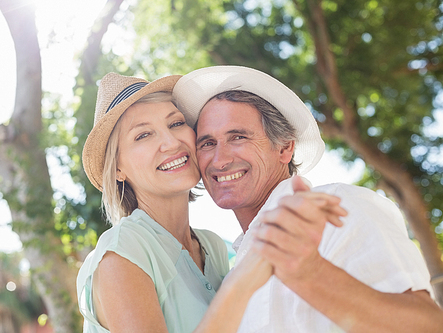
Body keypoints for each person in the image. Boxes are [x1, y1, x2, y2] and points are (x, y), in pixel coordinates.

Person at [172, 65, 443, 332]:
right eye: (207, 143)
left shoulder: (339, 206)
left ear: (285, 148)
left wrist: (310, 273)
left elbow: (428, 326)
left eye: (238, 137)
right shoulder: (236, 271)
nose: (220, 159)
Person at [75, 72, 337, 332]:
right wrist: (244, 282)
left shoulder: (213, 248)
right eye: (143, 135)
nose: (170, 142)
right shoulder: (122, 252)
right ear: (118, 168)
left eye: (176, 123)